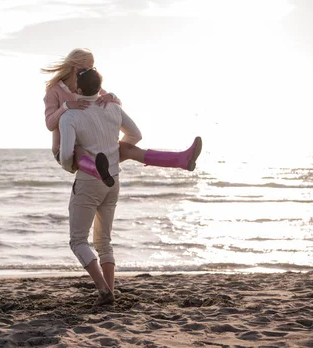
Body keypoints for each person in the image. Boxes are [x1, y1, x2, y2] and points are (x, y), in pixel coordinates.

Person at [43, 48, 202, 185]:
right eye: (87, 68)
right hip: (67, 152)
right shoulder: (55, 91)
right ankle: (100, 171)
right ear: (74, 68)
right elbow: (50, 125)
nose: (91, 72)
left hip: (97, 152)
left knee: (130, 149)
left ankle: (182, 159)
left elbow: (116, 104)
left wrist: (111, 96)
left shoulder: (86, 84)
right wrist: (65, 107)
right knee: (79, 150)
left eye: (93, 68)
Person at [59, 67, 141, 306]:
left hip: (88, 180)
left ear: (78, 89)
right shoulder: (113, 107)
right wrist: (115, 154)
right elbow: (135, 135)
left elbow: (66, 153)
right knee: (104, 240)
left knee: (78, 241)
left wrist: (70, 167)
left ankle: (103, 290)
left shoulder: (70, 116)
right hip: (113, 180)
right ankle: (110, 291)